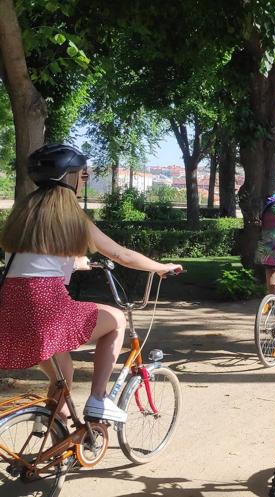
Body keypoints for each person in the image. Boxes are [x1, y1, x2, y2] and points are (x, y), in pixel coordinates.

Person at [0, 144, 182, 423]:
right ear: (69, 177)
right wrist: (161, 267)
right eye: (81, 174)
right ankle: (98, 399)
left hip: (12, 309)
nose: (84, 178)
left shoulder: (24, 215)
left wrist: (74, 262)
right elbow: (121, 255)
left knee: (64, 378)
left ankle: (53, 433)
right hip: (45, 306)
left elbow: (35, 257)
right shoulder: (72, 217)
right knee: (116, 318)